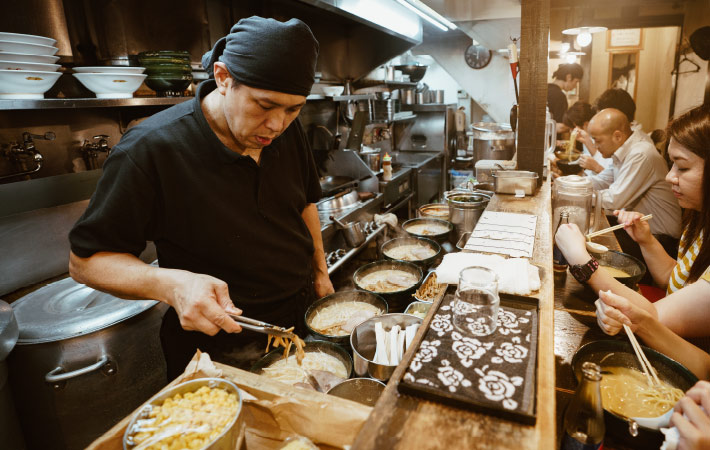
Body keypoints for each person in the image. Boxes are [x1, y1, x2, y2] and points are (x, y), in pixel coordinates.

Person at [68, 16, 334, 378]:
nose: (277, 125)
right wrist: (172, 285)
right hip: (216, 348)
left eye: (293, 108)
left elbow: (304, 202)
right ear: (223, 78)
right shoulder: (152, 149)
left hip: (298, 321)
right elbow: (86, 262)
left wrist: (320, 273)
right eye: (264, 105)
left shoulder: (286, 130)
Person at [556, 104, 710, 331]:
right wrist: (646, 240)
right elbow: (674, 279)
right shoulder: (698, 223)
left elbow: (654, 318)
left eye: (683, 168)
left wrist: (582, 262)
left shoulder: (641, 154)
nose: (670, 177)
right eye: (672, 165)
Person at [585, 108, 681, 264]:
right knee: (588, 237)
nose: (595, 146)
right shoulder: (622, 152)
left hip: (662, 241)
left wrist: (576, 194)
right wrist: (568, 184)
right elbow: (600, 181)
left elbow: (614, 200)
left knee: (590, 247)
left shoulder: (640, 154)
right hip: (640, 230)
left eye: (598, 140)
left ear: (617, 136)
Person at [561, 101, 612, 177]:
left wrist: (595, 167)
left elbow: (607, 176)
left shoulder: (602, 139)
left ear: (586, 124)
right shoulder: (586, 136)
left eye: (573, 127)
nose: (572, 131)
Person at [548, 63, 583, 131]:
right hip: (552, 140)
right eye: (576, 82)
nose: (575, 86)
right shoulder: (560, 96)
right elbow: (561, 126)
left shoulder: (544, 90)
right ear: (569, 77)